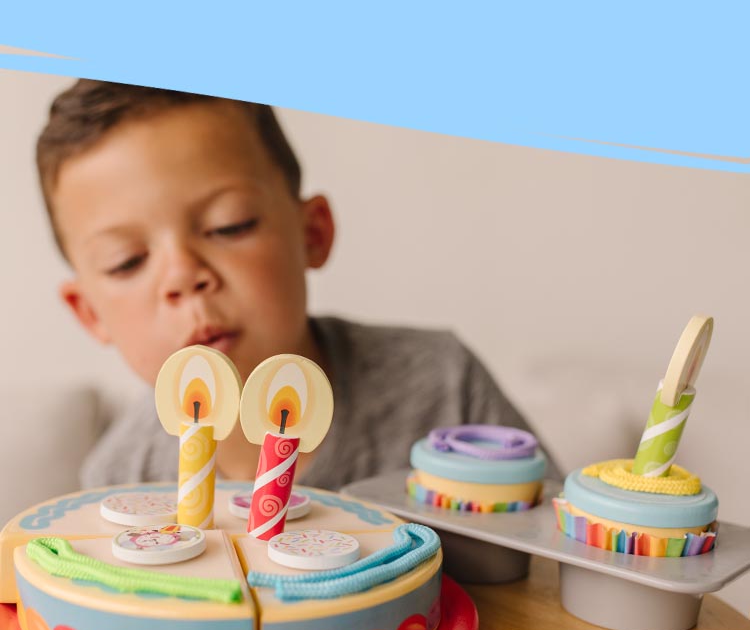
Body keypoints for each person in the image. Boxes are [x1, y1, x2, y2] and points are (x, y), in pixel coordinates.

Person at [36, 80, 558, 489]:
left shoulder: (443, 387)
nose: (182, 277)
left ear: (312, 234)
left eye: (228, 225)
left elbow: (554, 567)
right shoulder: (121, 480)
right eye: (127, 261)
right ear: (90, 314)